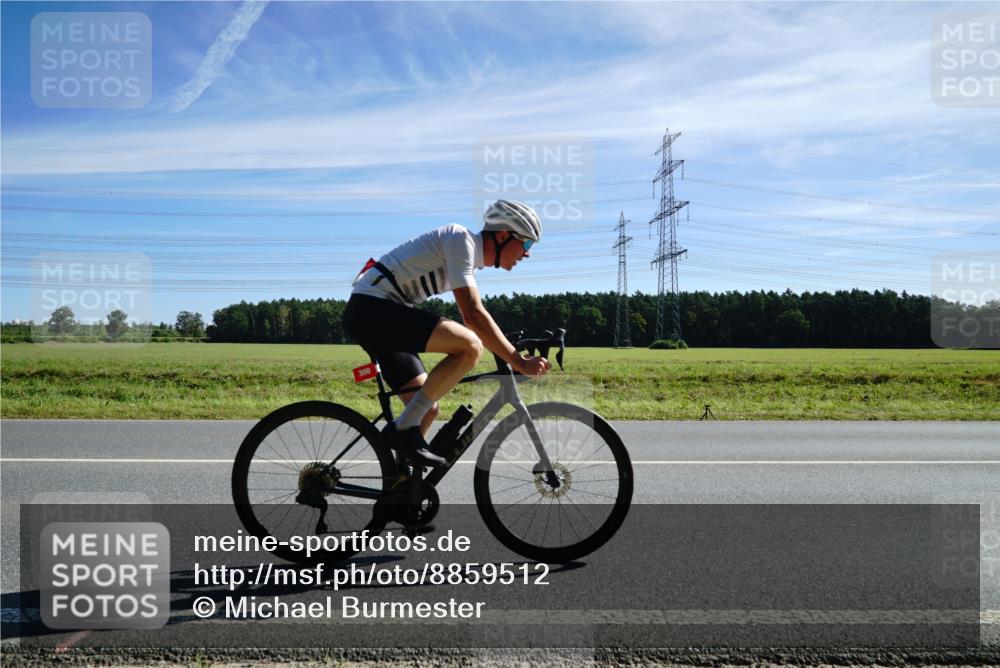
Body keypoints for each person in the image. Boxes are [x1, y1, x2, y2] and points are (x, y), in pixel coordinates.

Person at [342, 199, 552, 466]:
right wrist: (519, 361)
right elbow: (473, 315)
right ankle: (401, 430)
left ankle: (400, 491)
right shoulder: (460, 239)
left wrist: (508, 348)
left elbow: (476, 314)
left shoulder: (469, 258)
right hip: (371, 309)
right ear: (503, 235)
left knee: (426, 409)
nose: (527, 253)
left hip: (381, 314)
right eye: (527, 243)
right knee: (470, 346)